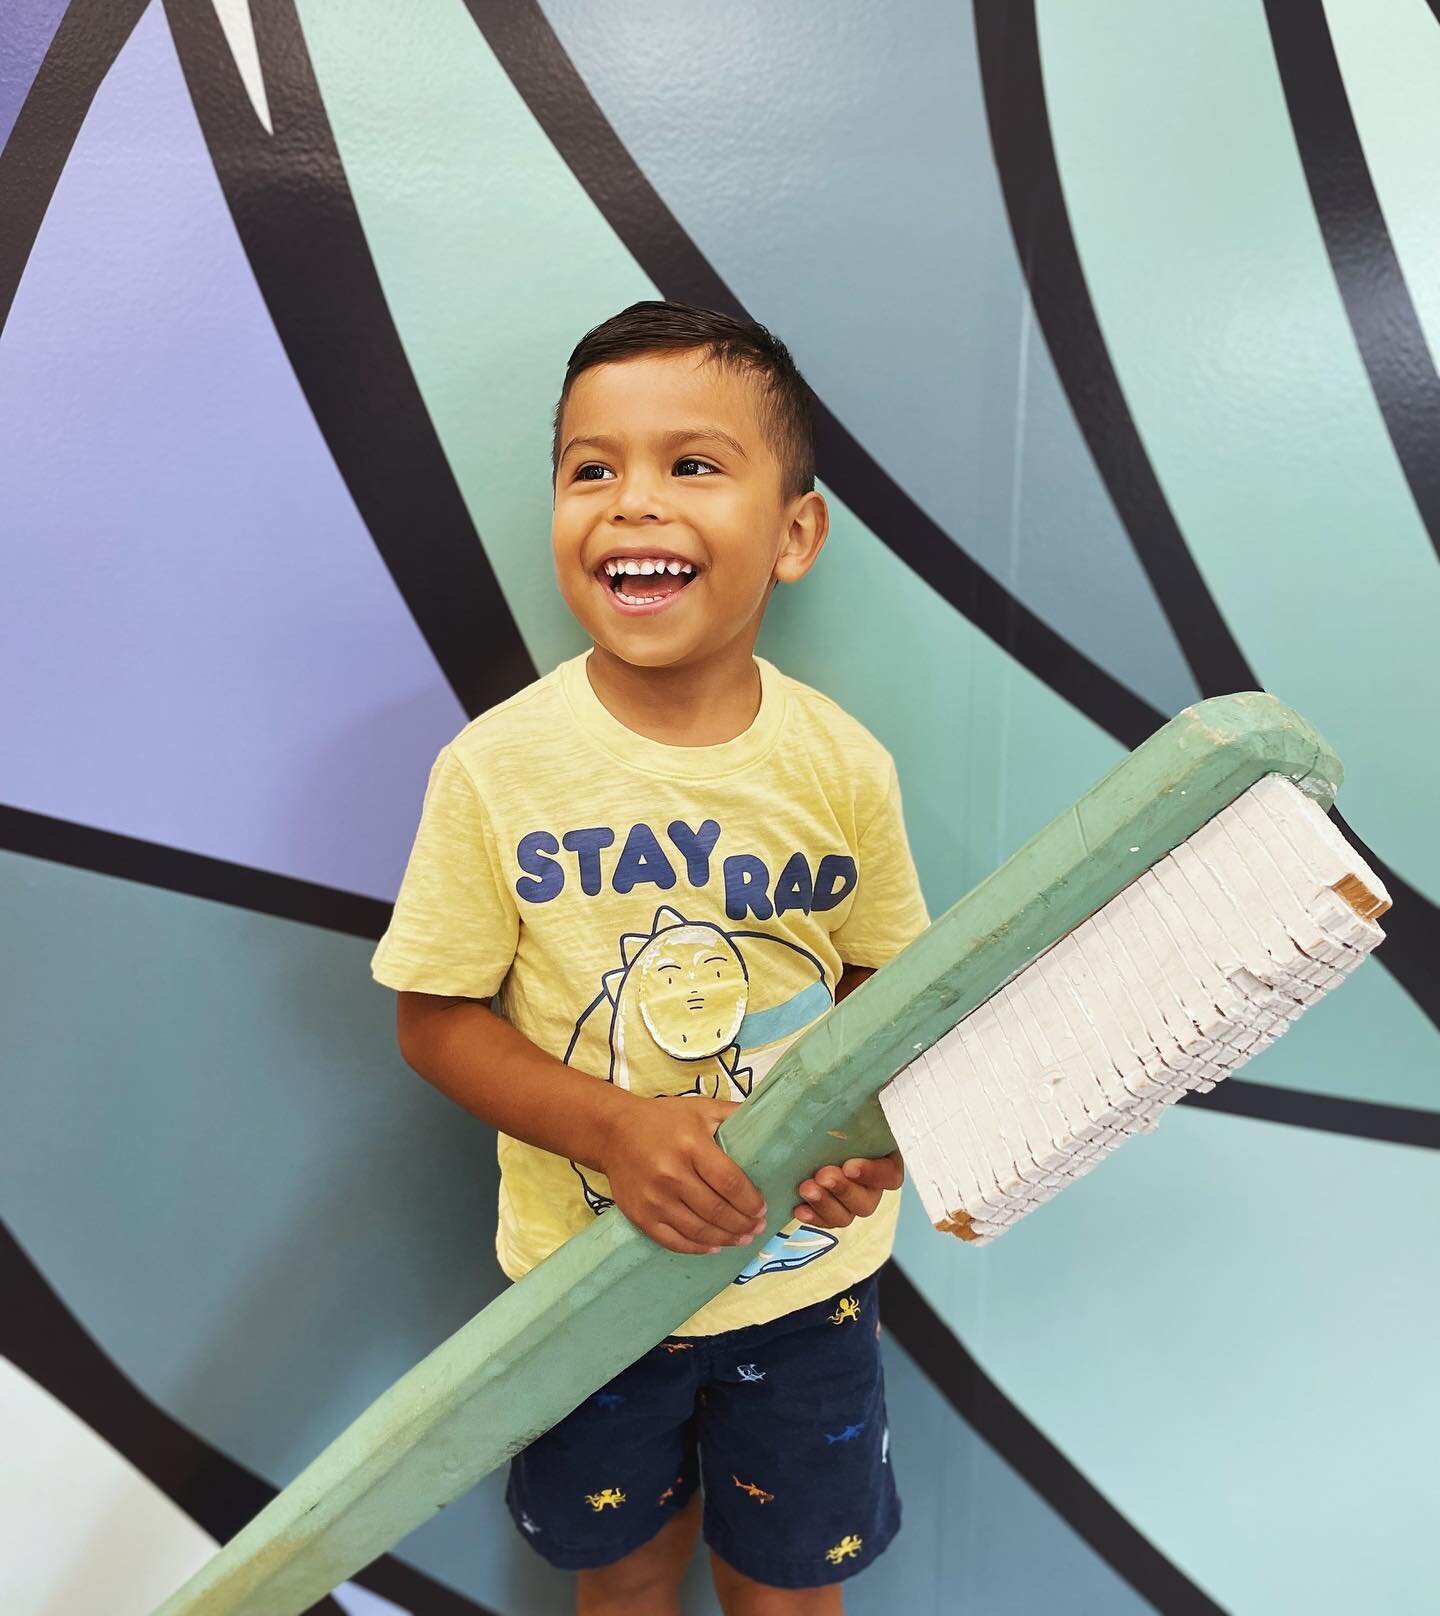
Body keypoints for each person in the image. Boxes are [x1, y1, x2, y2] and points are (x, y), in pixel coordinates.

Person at [370, 300, 931, 1615]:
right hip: (585, 1291)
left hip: (804, 1296)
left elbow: (892, 994)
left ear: (794, 533)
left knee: (789, 1588)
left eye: (691, 465)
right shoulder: (497, 770)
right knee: (618, 1579)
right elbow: (436, 1020)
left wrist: (875, 1131)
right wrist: (617, 1129)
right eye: (591, 468)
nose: (632, 504)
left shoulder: (842, 766)